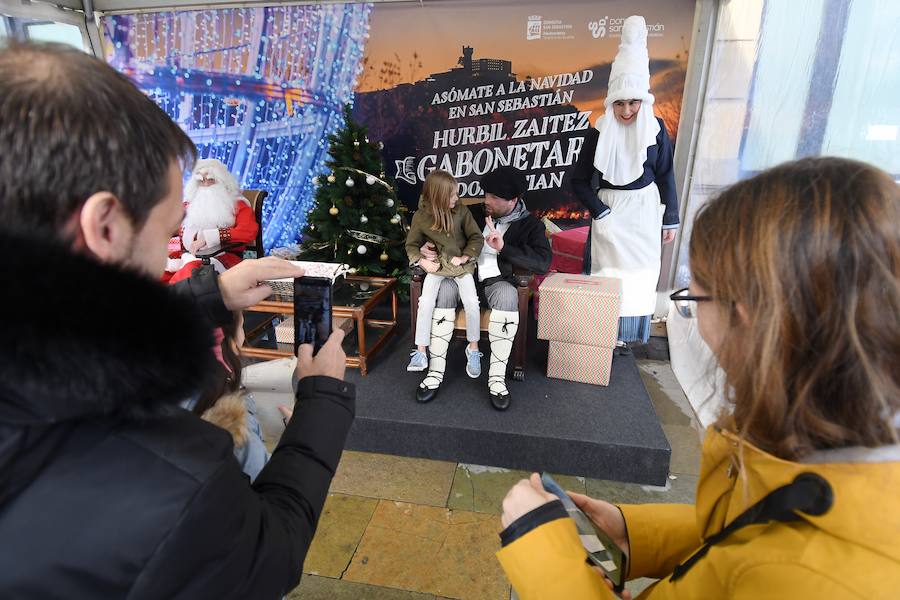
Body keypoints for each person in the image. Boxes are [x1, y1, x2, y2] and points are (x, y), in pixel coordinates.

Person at [0, 41, 355, 599]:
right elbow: (269, 554)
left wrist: (208, 295)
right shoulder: (171, 480)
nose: (174, 242)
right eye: (168, 229)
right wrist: (323, 401)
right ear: (106, 227)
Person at [495, 157, 900, 599]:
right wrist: (635, 534)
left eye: (696, 294)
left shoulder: (816, 581)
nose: (690, 314)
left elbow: (772, 560)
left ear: (745, 318)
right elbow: (754, 532)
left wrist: (544, 555)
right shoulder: (832, 450)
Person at [569, 15, 679, 353]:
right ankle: (603, 334)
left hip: (644, 214)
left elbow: (665, 175)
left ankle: (627, 336)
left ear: (643, 101)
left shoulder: (656, 130)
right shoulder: (598, 131)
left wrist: (670, 217)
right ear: (611, 102)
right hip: (611, 213)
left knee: (639, 276)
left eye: (633, 102)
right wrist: (600, 212)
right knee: (608, 275)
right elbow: (577, 181)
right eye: (620, 102)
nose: (627, 110)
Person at [421, 166, 551, 410]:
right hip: (462, 277)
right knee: (444, 290)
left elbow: (543, 262)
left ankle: (497, 379)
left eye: (494, 197)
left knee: (507, 294)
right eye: (486, 194)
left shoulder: (530, 225)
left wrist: (505, 249)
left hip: (496, 282)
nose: (486, 201)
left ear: (513, 200)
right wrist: (424, 248)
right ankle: (434, 372)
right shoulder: (471, 213)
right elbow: (432, 222)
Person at [405, 169, 484, 379]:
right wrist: (422, 261)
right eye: (452, 195)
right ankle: (420, 351)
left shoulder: (461, 211)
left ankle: (473, 348)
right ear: (438, 197)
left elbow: (476, 237)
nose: (456, 198)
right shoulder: (421, 217)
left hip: (461, 267)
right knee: (426, 302)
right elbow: (411, 245)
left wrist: (466, 257)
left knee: (471, 302)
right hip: (437, 267)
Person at [189, 311, 270, 482]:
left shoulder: (141, 404)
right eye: (242, 326)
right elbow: (271, 495)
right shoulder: (237, 432)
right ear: (232, 344)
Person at [164, 158, 260, 284]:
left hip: (221, 258)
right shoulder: (189, 205)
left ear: (223, 181)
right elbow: (173, 228)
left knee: (189, 274)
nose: (205, 184)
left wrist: (210, 237)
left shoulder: (237, 204)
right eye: (200, 181)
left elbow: (247, 232)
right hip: (186, 257)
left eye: (211, 180)